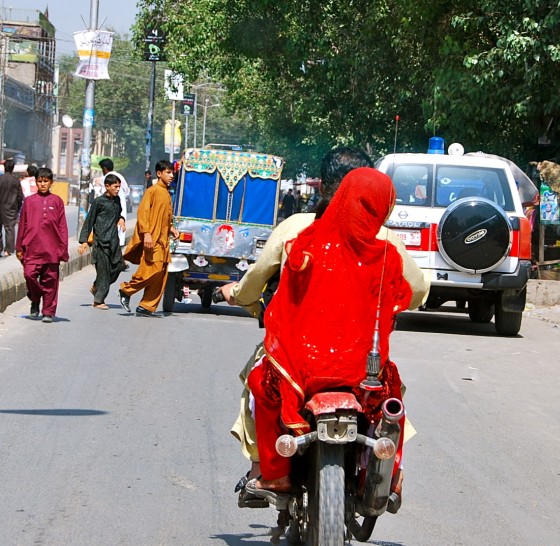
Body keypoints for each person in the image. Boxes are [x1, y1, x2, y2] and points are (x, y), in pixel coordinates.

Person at [219, 147, 429, 505]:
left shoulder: (299, 233)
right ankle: (389, 476)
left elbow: (258, 282)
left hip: (300, 364)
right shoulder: (387, 244)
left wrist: (239, 295)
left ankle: (268, 471)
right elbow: (417, 291)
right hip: (362, 366)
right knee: (392, 398)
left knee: (259, 381)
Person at [117, 159, 179, 317]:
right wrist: (146, 234)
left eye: (172, 172)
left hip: (163, 240)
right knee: (153, 269)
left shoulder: (166, 192)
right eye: (168, 172)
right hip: (153, 238)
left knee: (161, 274)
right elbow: (143, 214)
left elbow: (163, 217)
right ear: (159, 174)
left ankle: (147, 306)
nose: (171, 175)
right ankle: (126, 290)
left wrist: (171, 228)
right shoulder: (152, 191)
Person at [15, 167, 69, 323]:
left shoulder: (57, 201)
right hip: (32, 248)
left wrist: (63, 248)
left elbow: (62, 227)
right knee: (29, 274)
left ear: (51, 182)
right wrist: (19, 247)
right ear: (36, 182)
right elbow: (23, 225)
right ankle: (35, 298)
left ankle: (48, 311)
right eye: (40, 181)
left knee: (50, 280)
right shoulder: (29, 201)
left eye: (46, 181)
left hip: (52, 249)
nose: (43, 184)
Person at [78, 174, 127, 310]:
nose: (117, 189)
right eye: (115, 186)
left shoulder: (116, 201)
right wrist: (84, 241)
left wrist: (121, 219)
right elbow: (89, 221)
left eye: (119, 187)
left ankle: (96, 286)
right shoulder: (98, 202)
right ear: (107, 186)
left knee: (118, 267)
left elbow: (118, 214)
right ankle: (98, 300)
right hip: (101, 243)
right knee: (104, 272)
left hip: (114, 242)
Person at [99, 158, 129, 247]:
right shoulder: (120, 176)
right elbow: (127, 191)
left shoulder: (105, 178)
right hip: (121, 208)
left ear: (104, 169)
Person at [0, 158, 24, 256]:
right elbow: (20, 196)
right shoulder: (16, 181)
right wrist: (18, 207)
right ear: (13, 168)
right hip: (11, 208)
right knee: (9, 229)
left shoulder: (0, 179)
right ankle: (8, 250)